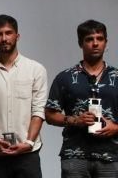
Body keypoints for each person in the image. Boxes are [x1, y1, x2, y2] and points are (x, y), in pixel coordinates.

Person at [0, 15, 47, 178]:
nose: (4, 38)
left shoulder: (35, 69)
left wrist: (29, 142)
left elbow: (38, 111)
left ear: (17, 36)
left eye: (8, 33)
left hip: (28, 151)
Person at [45, 19, 118, 177]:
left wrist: (116, 128)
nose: (95, 43)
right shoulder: (65, 78)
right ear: (80, 43)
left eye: (99, 38)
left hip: (111, 157)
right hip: (75, 156)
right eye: (89, 39)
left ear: (106, 42)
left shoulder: (117, 77)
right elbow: (49, 115)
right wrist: (75, 120)